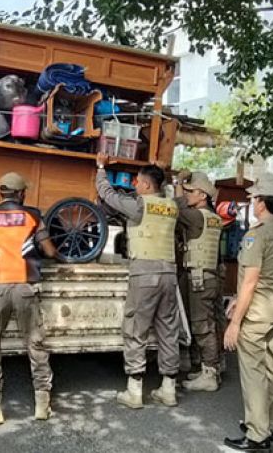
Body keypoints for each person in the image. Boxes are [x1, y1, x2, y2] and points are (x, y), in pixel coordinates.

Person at [0, 171, 57, 425]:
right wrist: (62, 256)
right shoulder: (33, 215)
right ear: (21, 194)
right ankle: (42, 405)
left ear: (1, 193)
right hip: (25, 288)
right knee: (35, 345)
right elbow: (48, 250)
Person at [95, 153, 180, 409]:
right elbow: (166, 190)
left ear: (145, 186)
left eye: (137, 182)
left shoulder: (139, 205)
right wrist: (162, 171)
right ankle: (168, 389)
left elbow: (108, 196)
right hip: (169, 273)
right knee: (168, 330)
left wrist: (101, 167)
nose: (134, 185)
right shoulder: (172, 204)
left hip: (144, 273)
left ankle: (134, 390)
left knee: (136, 330)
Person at [223, 173, 273, 452]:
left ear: (262, 203)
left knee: (253, 373)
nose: (251, 202)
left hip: (257, 312)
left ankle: (257, 435)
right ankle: (271, 424)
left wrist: (234, 323)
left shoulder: (257, 235)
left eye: (253, 198)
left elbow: (251, 281)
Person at [173, 172, 224, 392]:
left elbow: (176, 207)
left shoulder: (196, 217)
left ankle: (209, 373)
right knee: (207, 323)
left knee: (202, 326)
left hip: (199, 277)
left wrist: (177, 183)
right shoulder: (213, 216)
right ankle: (206, 367)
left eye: (191, 192)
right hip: (209, 276)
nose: (187, 195)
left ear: (202, 195)